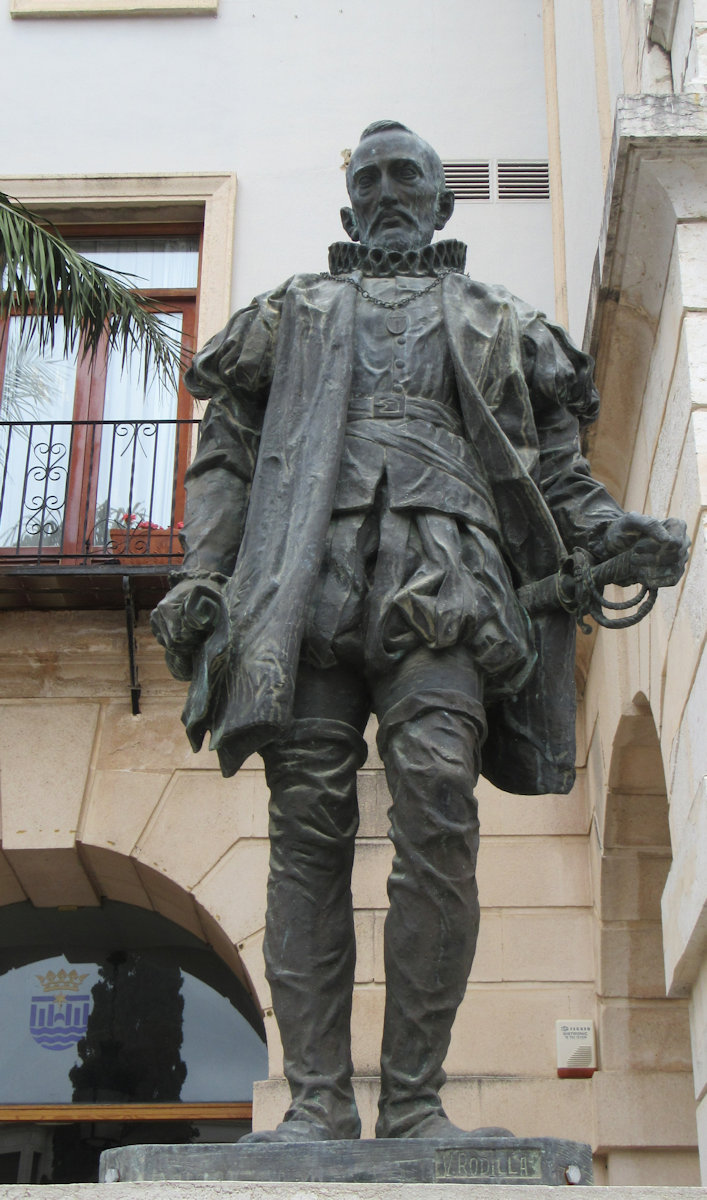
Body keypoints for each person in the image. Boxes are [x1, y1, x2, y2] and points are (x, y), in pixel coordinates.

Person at [151, 121, 688, 1143]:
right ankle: (313, 1102)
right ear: (348, 206)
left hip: (445, 578)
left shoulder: (501, 320)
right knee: (304, 834)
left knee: (438, 814)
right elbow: (224, 455)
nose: (389, 191)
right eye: (370, 179)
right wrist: (200, 574)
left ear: (441, 202)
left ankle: (413, 1104)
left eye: (408, 177)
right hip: (302, 584)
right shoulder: (290, 312)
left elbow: (558, 475)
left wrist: (616, 535)